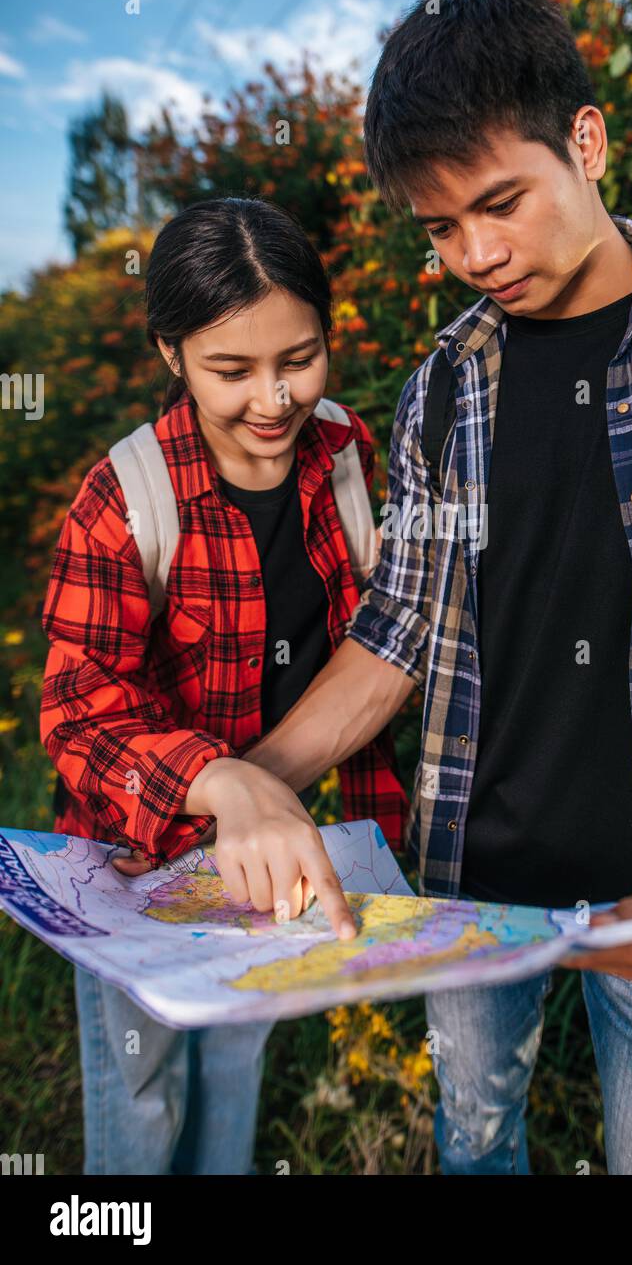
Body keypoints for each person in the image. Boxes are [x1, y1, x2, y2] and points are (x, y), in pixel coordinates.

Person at [243, 0, 632, 1175]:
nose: (475, 255)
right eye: (437, 230)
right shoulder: (440, 389)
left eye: (498, 204)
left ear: (586, 140)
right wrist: (255, 779)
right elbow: (396, 634)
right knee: (474, 1143)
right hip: (470, 889)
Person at [39, 196, 408, 1174]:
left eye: (298, 358)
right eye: (231, 370)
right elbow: (78, 708)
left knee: (239, 1045)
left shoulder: (344, 455)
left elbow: (378, 631)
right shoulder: (126, 497)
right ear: (171, 353)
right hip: (134, 858)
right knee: (145, 1088)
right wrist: (221, 780)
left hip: (270, 849)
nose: (274, 399)